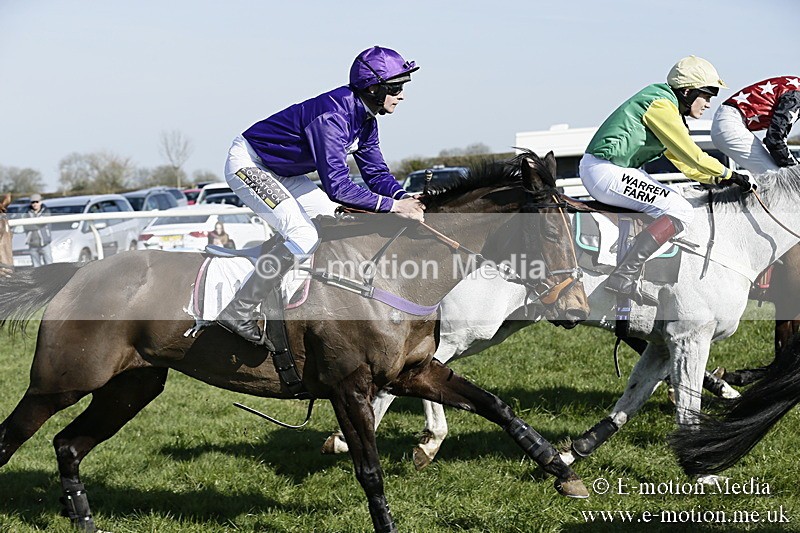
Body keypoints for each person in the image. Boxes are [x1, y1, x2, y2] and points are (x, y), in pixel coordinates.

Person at [217, 46, 425, 344]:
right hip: (250, 164)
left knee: (330, 221)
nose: (401, 95)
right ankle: (239, 308)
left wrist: (406, 198)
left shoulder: (366, 121)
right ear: (374, 87)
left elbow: (376, 174)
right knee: (303, 235)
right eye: (396, 88)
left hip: (283, 171)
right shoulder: (333, 117)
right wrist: (393, 207)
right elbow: (338, 188)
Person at [579, 56, 754, 305]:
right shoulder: (660, 104)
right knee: (680, 209)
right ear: (687, 91)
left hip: (610, 169)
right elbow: (692, 154)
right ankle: (623, 277)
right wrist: (730, 174)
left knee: (679, 202)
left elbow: (685, 165)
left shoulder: (668, 108)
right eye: (707, 95)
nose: (708, 104)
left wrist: (718, 180)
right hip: (604, 170)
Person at [711, 75, 800, 173]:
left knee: (777, 176)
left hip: (729, 120)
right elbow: (775, 140)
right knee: (778, 176)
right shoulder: (795, 96)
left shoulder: (794, 90)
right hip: (730, 121)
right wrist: (795, 168)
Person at [24, 193, 52, 267]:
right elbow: (26, 226)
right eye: (33, 202)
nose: (35, 204)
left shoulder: (46, 211)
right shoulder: (26, 213)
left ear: (40, 202)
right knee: (36, 269)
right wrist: (38, 223)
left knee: (50, 267)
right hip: (33, 245)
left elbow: (43, 223)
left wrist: (32, 224)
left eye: (37, 201)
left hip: (45, 244)